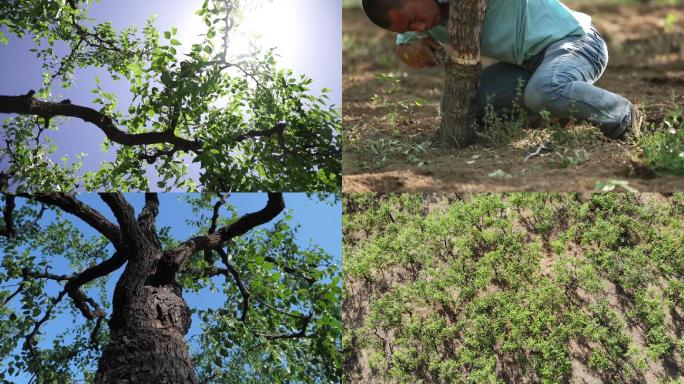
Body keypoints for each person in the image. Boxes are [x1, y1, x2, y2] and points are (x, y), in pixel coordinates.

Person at [361, 0, 642, 140]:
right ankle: (560, 113)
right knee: (457, 104)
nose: (419, 28)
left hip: (574, 43)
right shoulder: (422, 19)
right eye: (410, 28)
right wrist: (408, 49)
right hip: (527, 66)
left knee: (546, 90)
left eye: (414, 21)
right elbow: (404, 44)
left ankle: (623, 116)